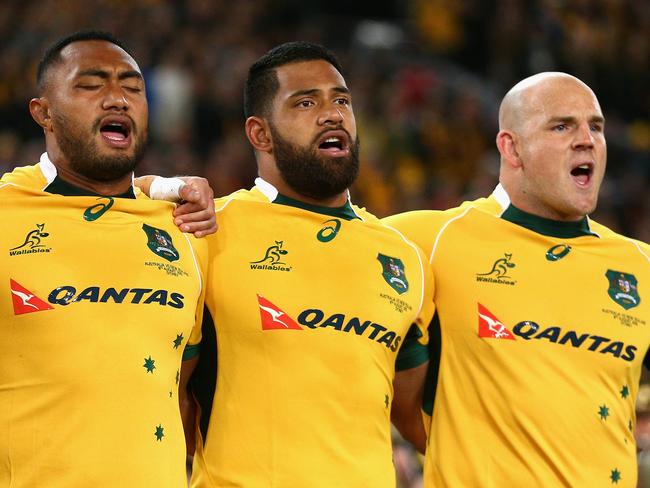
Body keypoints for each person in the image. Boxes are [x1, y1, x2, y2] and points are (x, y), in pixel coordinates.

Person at [143, 41, 435, 487]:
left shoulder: (400, 254)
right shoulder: (207, 231)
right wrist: (158, 185)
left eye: (341, 100)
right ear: (260, 134)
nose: (332, 114)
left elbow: (413, 414)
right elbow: (169, 398)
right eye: (305, 102)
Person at [384, 72, 650, 487]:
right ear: (512, 147)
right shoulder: (425, 240)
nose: (586, 139)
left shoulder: (640, 266)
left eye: (594, 127)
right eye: (562, 126)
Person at [0, 30, 212, 487]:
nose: (117, 99)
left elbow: (181, 392)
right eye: (91, 85)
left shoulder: (186, 232)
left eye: (133, 88)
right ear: (44, 113)